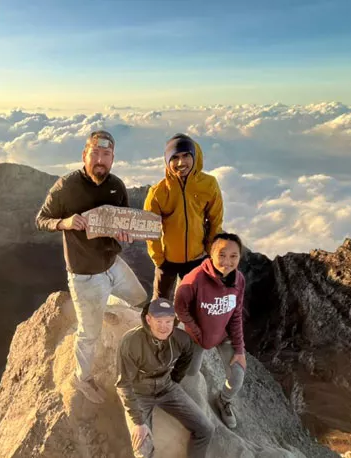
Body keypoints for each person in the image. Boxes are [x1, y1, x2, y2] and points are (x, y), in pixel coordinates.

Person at [36, 130, 148, 404]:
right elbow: (41, 219)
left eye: (106, 155)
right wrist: (64, 222)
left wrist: (124, 235)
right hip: (85, 275)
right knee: (89, 333)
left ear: (113, 158)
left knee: (140, 299)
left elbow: (122, 222)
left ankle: (110, 311)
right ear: (84, 155)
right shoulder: (66, 186)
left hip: (112, 263)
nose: (100, 160)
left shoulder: (117, 186)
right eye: (95, 153)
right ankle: (81, 378)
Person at [116, 298, 215, 458]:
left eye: (168, 321)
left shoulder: (181, 339)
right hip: (139, 394)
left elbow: (186, 358)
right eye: (159, 321)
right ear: (149, 319)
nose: (164, 327)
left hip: (167, 388)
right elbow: (123, 385)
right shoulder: (131, 342)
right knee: (142, 449)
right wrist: (138, 422)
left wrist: (174, 380)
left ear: (174, 321)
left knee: (206, 429)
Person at [174, 233, 246, 429]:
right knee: (191, 372)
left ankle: (223, 400)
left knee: (237, 375)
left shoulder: (239, 280)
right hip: (197, 336)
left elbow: (236, 314)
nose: (227, 262)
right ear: (211, 254)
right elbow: (180, 308)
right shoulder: (193, 280)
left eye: (233, 256)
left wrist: (239, 350)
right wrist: (197, 334)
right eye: (222, 255)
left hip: (223, 334)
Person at [144, 133, 224, 301]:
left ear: (194, 156)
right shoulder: (158, 192)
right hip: (167, 260)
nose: (181, 163)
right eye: (175, 157)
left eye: (186, 155)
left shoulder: (209, 185)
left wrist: (210, 252)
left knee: (191, 303)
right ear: (167, 161)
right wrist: (159, 259)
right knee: (159, 304)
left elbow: (215, 220)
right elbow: (150, 230)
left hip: (197, 257)